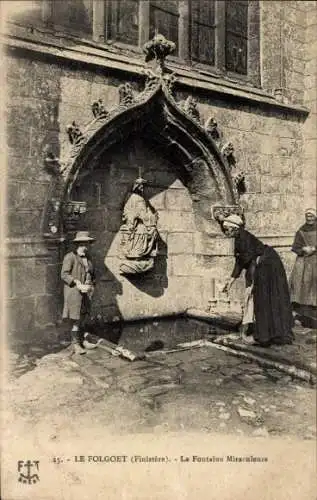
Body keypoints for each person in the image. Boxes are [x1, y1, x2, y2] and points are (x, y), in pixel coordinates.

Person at [222, 214, 294, 346]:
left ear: (235, 228)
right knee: (269, 299)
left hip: (268, 265)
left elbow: (252, 263)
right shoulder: (239, 238)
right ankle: (275, 333)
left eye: (227, 229)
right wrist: (231, 281)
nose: (225, 232)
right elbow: (240, 261)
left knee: (263, 299)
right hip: (266, 263)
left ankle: (263, 337)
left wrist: (251, 284)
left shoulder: (243, 239)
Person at [61, 231, 98, 354]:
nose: (86, 247)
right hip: (74, 293)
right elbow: (64, 275)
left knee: (83, 317)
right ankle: (75, 344)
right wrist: (77, 283)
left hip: (86, 293)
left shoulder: (89, 258)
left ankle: (83, 341)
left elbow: (92, 274)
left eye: (88, 244)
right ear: (78, 244)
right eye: (84, 244)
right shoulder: (70, 257)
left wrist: (91, 285)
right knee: (75, 319)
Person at [289, 208, 317, 326]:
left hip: (315, 259)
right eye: (307, 217)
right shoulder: (301, 230)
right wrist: (303, 249)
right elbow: (295, 247)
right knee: (299, 283)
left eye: (311, 217)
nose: (309, 219)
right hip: (303, 261)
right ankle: (303, 312)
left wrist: (314, 248)